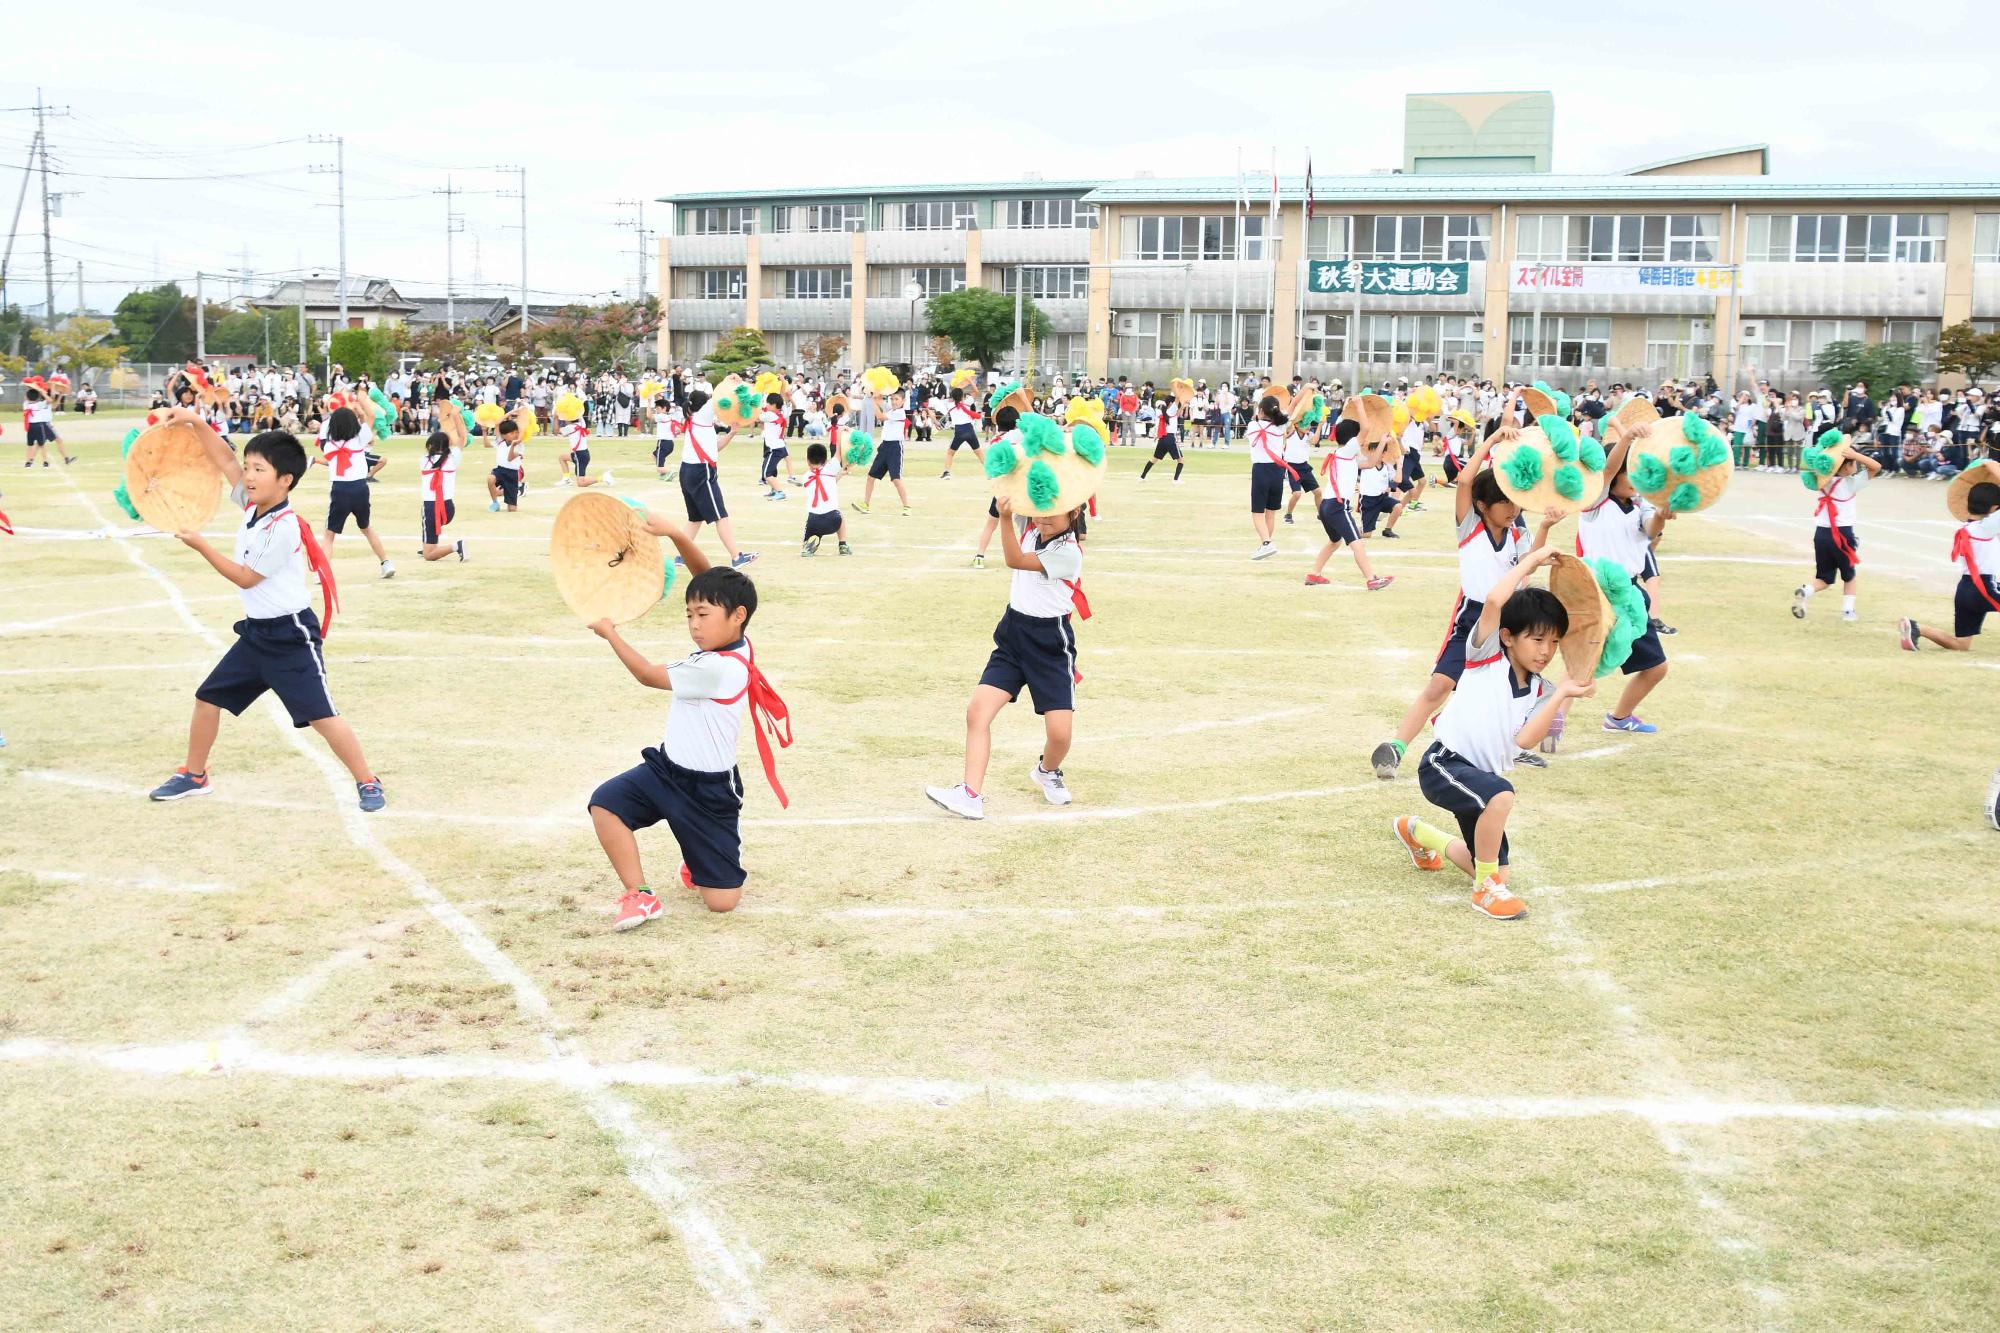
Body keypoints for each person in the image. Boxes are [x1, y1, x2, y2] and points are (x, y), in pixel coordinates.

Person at [148, 430, 384, 813]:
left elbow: (246, 577)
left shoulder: (284, 525)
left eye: (259, 468)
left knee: (323, 717)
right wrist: (193, 421)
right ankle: (195, 775)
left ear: (285, 479)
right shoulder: (252, 506)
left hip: (291, 637)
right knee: (207, 699)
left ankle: (367, 781)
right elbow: (224, 460)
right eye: (248, 467)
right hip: (257, 634)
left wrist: (202, 545)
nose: (249, 476)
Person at [586, 518, 791, 929]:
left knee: (722, 903)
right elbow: (710, 580)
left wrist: (610, 633)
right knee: (605, 804)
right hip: (666, 770)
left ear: (738, 616)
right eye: (689, 615)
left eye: (702, 614)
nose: (694, 624)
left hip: (709, 791)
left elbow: (646, 674)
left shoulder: (718, 667)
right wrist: (678, 536)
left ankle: (698, 857)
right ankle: (639, 895)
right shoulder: (738, 639)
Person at [1390, 545, 1591, 921]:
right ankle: (1484, 892)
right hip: (1443, 765)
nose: (1546, 651)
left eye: (1555, 642)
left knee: (1499, 869)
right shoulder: (1485, 657)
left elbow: (1527, 741)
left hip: (1480, 780)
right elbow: (1496, 598)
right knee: (1501, 796)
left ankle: (1417, 832)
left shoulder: (1540, 687)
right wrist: (1531, 561)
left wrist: (1562, 693)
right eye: (1537, 639)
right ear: (1508, 636)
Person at [1373, 407, 1560, 780]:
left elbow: (1528, 565)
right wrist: (1490, 441)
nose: (1512, 509)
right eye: (1504, 502)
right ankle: (1396, 747)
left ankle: (1512, 746)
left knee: (1512, 688)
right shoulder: (1469, 528)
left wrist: (1544, 528)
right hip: (1475, 617)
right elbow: (1463, 483)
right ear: (1481, 506)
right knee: (1441, 683)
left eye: (1514, 502)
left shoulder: (1517, 534)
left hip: (1514, 619)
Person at [926, 496, 1087, 819]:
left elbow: (1014, 560)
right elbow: (1022, 484)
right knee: (978, 713)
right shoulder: (1032, 527)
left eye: (1051, 516)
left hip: (1050, 647)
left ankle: (1047, 771)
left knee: (1059, 735)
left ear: (1074, 511)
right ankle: (970, 793)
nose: (1042, 520)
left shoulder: (1068, 552)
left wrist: (1003, 517)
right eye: (1039, 514)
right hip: (1013, 637)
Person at [1574, 438, 1671, 736]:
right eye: (1630, 472)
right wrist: (1627, 437)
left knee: (1656, 667)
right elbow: (1607, 470)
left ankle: (1619, 718)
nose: (1635, 479)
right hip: (1596, 594)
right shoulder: (1595, 502)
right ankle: (1551, 726)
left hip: (1630, 596)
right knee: (1579, 671)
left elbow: (1651, 530)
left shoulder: (1641, 506)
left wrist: (1661, 516)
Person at [1900, 477, 2000, 652]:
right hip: (1983, 587)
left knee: (1961, 644)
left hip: (1964, 590)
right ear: (1993, 509)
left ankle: (1917, 628)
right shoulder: (1986, 527)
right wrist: (1991, 466)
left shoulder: (1969, 527)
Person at [1793, 435, 1883, 623]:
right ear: (1846, 466)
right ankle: (1848, 611)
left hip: (1821, 534)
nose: (1855, 467)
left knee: (1824, 578)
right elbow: (1876, 467)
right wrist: (1855, 455)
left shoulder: (1822, 482)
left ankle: (1806, 591)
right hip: (1842, 534)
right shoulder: (1851, 483)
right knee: (1849, 575)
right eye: (1852, 464)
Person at [1304, 416, 1393, 591]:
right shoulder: (1347, 450)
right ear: (1353, 438)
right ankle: (1371, 579)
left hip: (1327, 506)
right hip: (1337, 506)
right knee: (1357, 542)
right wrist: (1359, 404)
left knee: (1334, 542)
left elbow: (1371, 463)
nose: (1363, 439)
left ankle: (1314, 574)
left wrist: (1382, 442)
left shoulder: (1348, 455)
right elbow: (1366, 427)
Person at [313, 406, 394, 579]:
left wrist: (327, 418)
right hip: (360, 488)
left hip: (340, 490)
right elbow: (368, 421)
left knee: (329, 534)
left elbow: (323, 436)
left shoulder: (329, 446)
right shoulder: (360, 439)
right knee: (366, 527)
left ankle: (322, 573)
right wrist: (361, 417)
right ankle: (386, 563)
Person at [680, 389, 757, 568]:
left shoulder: (696, 421)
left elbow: (714, 448)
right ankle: (736, 557)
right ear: (703, 404)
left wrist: (731, 433)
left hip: (689, 472)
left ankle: (681, 556)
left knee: (695, 518)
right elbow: (721, 397)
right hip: (701, 472)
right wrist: (733, 381)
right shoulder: (703, 414)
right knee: (720, 515)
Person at [417, 407, 468, 564]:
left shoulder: (424, 460)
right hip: (448, 508)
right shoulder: (452, 459)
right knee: (430, 543)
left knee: (429, 555)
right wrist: (455, 415)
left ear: (430, 446)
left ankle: (456, 546)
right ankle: (431, 545)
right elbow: (462, 436)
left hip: (431, 509)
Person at [1246, 395, 1293, 559]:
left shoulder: (1253, 425)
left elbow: (1256, 417)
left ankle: (1267, 543)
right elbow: (1294, 407)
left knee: (1257, 512)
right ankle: (1266, 543)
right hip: (1278, 471)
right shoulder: (1280, 427)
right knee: (1271, 512)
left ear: (1260, 410)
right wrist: (1307, 390)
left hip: (1261, 470)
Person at [854, 390, 912, 515]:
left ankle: (907, 506)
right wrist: (874, 394)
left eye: (897, 399)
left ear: (903, 401)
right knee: (871, 476)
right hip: (884, 447)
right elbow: (880, 401)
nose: (894, 402)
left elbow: (879, 416)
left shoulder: (900, 413)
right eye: (892, 399)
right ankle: (866, 504)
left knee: (896, 479)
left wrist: (873, 401)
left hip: (895, 448)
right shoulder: (891, 411)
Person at [798, 442, 852, 557]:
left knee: (812, 528)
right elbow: (838, 452)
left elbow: (822, 482)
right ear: (826, 459)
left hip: (813, 521)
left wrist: (840, 474)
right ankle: (843, 544)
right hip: (833, 520)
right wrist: (839, 432)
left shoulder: (806, 476)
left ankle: (810, 545)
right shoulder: (831, 469)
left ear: (808, 461)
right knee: (840, 516)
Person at [21, 380, 71, 467]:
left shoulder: (28, 404)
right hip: (44, 425)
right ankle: (60, 459)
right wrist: (50, 388)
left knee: (35, 444)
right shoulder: (41, 403)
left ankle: (30, 461)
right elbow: (50, 399)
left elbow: (53, 403)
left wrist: (59, 393)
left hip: (35, 426)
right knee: (44, 443)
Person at [939, 387, 984, 479]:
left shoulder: (949, 405)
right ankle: (991, 472)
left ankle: (946, 472)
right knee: (979, 453)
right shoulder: (967, 403)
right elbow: (976, 391)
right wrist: (969, 380)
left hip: (959, 431)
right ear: (962, 396)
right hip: (969, 429)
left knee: (950, 453)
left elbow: (947, 399)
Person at [1140, 395, 1184, 482]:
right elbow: (1177, 399)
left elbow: (1178, 413)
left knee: (1153, 459)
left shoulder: (1165, 412)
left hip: (1163, 438)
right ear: (1171, 403)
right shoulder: (1171, 410)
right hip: (1171, 437)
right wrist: (1179, 391)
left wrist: (1183, 406)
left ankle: (1142, 477)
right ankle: (1176, 479)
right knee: (1181, 460)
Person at [758, 392, 794, 499]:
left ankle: (780, 492)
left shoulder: (770, 415)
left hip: (774, 449)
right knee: (771, 470)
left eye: (768, 403)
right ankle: (774, 490)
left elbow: (758, 416)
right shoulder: (781, 413)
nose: (766, 405)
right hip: (778, 446)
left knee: (766, 473)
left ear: (773, 405)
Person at [486, 416, 525, 512]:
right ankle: (495, 503)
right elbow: (498, 423)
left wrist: (513, 446)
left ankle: (518, 488)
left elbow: (510, 458)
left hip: (512, 475)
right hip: (500, 470)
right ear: (503, 435)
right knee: (490, 479)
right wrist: (510, 413)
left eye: (516, 432)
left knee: (512, 509)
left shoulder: (519, 445)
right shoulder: (500, 441)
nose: (515, 435)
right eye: (512, 433)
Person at [652, 394, 680, 478]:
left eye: (658, 408)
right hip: (669, 443)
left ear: (664, 408)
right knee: (654, 455)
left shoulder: (661, 416)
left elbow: (649, 416)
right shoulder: (668, 417)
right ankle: (664, 474)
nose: (656, 409)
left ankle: (669, 472)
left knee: (659, 468)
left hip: (663, 443)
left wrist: (649, 402)